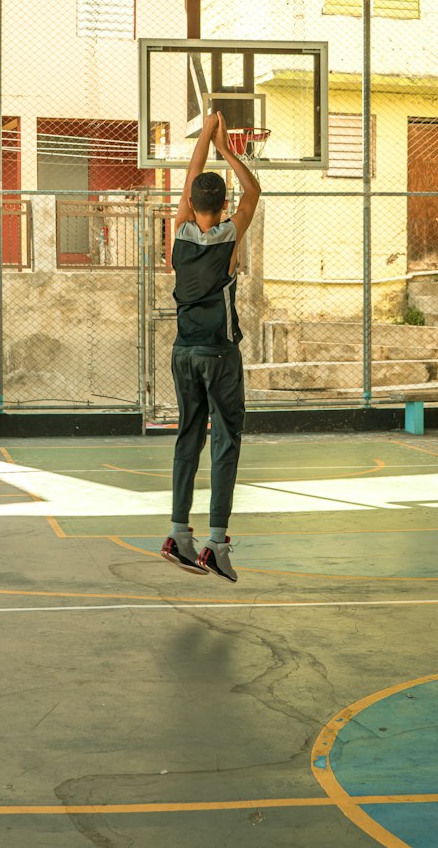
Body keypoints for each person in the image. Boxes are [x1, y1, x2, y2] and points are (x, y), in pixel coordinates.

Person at [160, 111, 261, 582]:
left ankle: (179, 535)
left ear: (193, 203)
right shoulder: (229, 236)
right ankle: (215, 543)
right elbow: (254, 191)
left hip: (183, 352)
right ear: (223, 206)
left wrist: (203, 136)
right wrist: (226, 149)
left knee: (188, 437)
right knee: (225, 440)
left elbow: (186, 184)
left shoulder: (178, 233)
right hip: (218, 356)